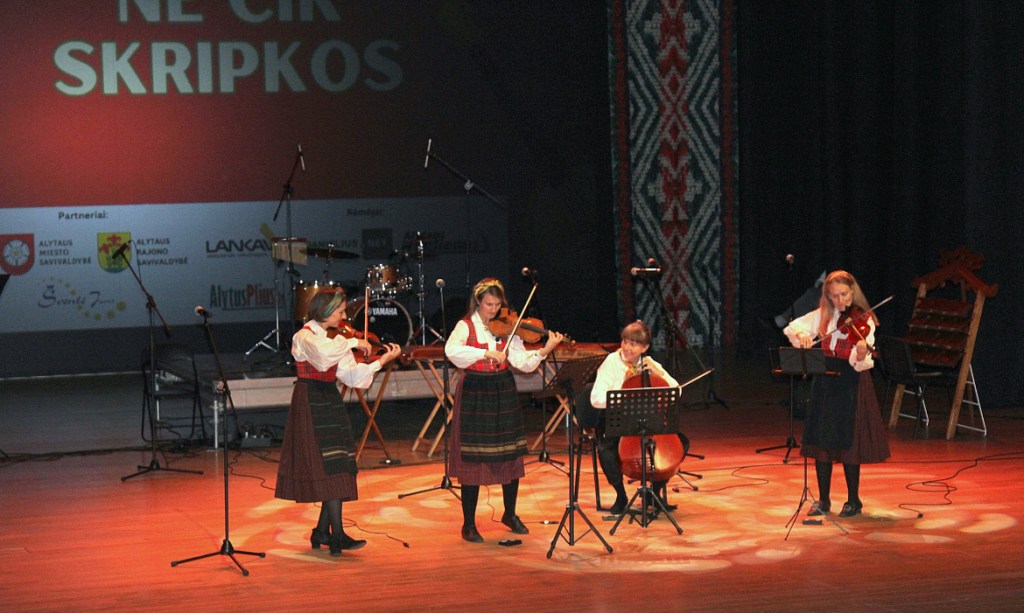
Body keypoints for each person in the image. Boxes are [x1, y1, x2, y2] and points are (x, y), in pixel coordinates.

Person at [275, 288, 403, 556]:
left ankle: (323, 532)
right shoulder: (304, 337)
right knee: (327, 467)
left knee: (338, 465)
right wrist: (354, 342)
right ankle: (337, 535)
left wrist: (381, 361)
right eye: (341, 311)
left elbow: (353, 377)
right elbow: (322, 359)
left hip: (329, 398)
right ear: (326, 310)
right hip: (310, 399)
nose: (345, 317)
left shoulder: (337, 339)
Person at [444, 278, 564, 543]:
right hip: (475, 390)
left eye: (498, 304)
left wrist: (544, 350)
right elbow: (451, 351)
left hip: (503, 388)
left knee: (510, 456)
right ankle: (468, 524)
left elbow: (522, 363)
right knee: (472, 458)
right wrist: (485, 353)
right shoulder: (465, 326)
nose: (494, 310)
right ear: (478, 302)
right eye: (489, 304)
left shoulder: (509, 328)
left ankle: (509, 514)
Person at [783, 270, 891, 518]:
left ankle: (854, 500)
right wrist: (802, 336)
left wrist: (861, 351)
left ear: (853, 292)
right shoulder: (823, 315)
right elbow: (793, 327)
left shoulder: (864, 319)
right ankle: (823, 500)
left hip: (852, 381)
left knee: (850, 442)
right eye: (834, 296)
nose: (840, 301)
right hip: (825, 382)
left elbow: (861, 360)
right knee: (822, 442)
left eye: (844, 294)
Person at [585, 320, 688, 515]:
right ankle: (621, 495)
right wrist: (622, 393)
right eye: (625, 341)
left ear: (645, 347)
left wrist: (657, 372)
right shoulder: (611, 362)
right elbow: (596, 399)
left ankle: (653, 493)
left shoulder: (649, 363)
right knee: (605, 450)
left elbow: (676, 390)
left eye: (633, 344)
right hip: (615, 420)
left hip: (647, 421)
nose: (627, 347)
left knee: (681, 444)